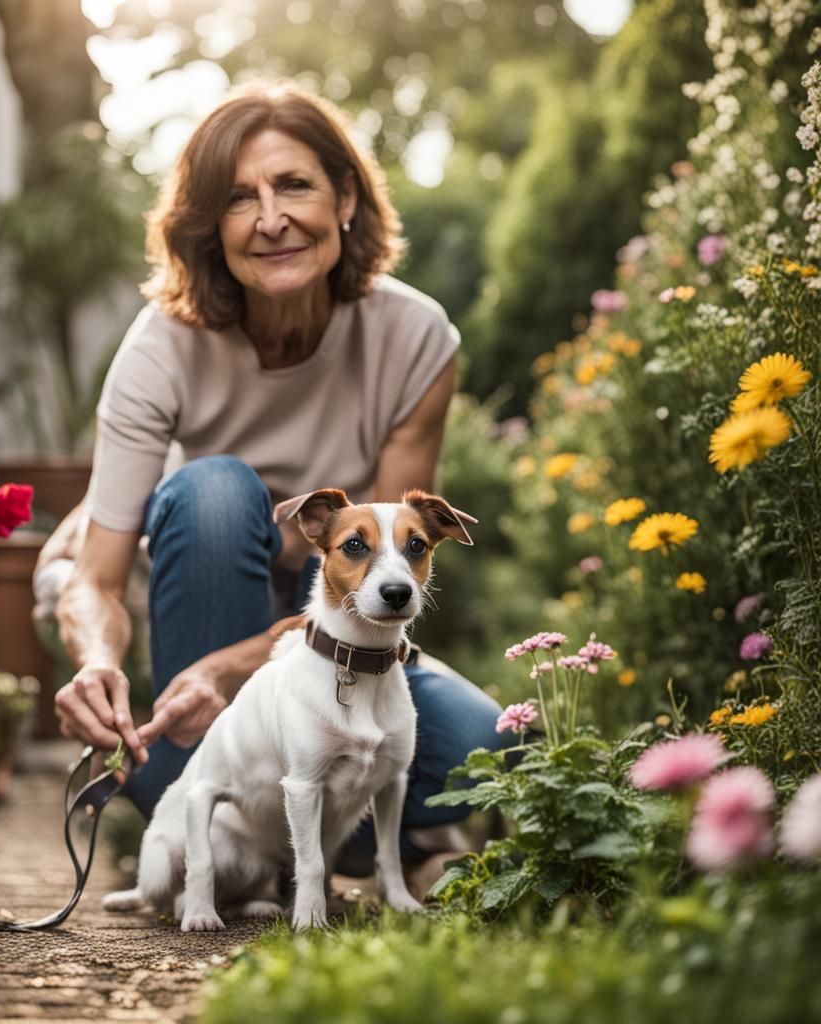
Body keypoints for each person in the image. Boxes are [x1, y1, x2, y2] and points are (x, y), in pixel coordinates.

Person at [48, 80, 508, 887]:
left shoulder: (415, 339)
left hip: (333, 650)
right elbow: (94, 582)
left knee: (479, 743)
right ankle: (200, 811)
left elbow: (388, 565)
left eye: (294, 184)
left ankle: (335, 841)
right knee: (216, 491)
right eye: (238, 199)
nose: (270, 219)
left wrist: (239, 664)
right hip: (191, 693)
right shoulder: (161, 348)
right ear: (207, 230)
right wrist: (94, 661)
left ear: (347, 201)